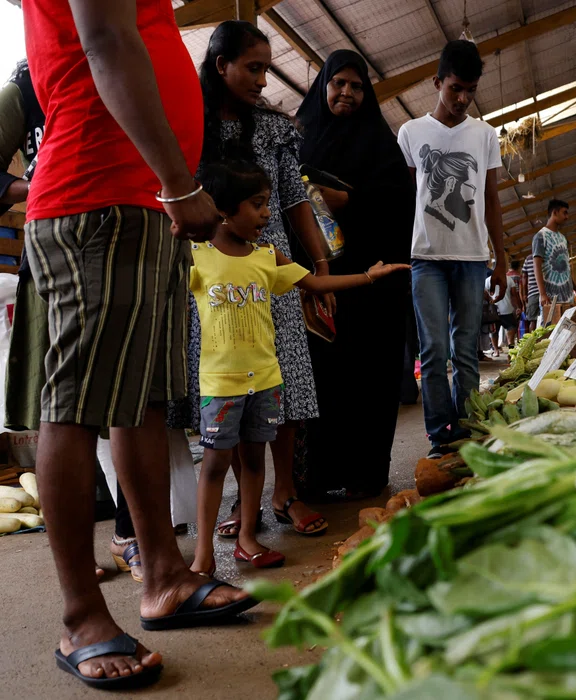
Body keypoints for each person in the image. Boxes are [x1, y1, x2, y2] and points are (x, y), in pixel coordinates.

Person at [22, 0, 254, 689]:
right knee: (76, 406)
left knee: (142, 401)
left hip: (140, 203)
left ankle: (163, 577)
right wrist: (179, 182)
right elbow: (104, 41)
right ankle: (81, 617)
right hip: (97, 195)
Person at [1, 60, 197, 586]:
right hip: (75, 242)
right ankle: (84, 576)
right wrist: (27, 184)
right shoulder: (24, 89)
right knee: (74, 407)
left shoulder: (130, 65)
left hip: (137, 231)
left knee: (136, 399)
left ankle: (136, 543)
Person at [188, 160, 408, 576]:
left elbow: (314, 284)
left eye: (268, 203)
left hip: (267, 381)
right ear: (222, 209)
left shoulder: (267, 256)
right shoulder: (197, 258)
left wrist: (368, 276)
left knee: (256, 462)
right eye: (257, 205)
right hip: (219, 385)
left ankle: (248, 539)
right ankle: (202, 555)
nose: (267, 214)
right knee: (216, 465)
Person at [171, 20, 331, 537]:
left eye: (266, 68)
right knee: (231, 388)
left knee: (282, 380)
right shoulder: (186, 122)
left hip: (271, 268)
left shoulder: (275, 128)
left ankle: (285, 494)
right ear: (221, 66)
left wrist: (320, 262)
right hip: (212, 277)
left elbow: (293, 199)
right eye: (254, 68)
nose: (264, 80)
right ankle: (246, 507)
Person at [296, 49, 416, 498]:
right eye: (338, 83)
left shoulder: (380, 144)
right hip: (318, 286)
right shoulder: (301, 138)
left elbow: (401, 205)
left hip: (372, 289)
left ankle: (365, 475)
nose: (346, 92)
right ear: (323, 85)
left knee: (369, 379)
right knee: (321, 380)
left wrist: (349, 202)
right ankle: (317, 480)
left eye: (356, 85)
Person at [398, 40, 507, 459]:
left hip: (472, 258)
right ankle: (439, 438)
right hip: (425, 257)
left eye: (470, 91)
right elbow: (404, 197)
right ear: (437, 82)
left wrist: (501, 260)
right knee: (434, 350)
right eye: (455, 88)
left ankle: (467, 428)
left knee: (466, 350)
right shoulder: (410, 132)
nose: (463, 99)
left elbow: (493, 199)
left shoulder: (485, 134)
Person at [533, 199, 576, 324]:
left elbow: (565, 267)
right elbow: (537, 266)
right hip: (551, 299)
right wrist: (543, 294)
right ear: (555, 212)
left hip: (568, 298)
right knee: (550, 335)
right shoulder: (541, 236)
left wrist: (575, 288)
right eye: (564, 213)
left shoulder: (563, 238)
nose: (567, 217)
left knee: (569, 334)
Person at [485, 271, 520, 351]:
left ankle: (496, 350)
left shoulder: (488, 280)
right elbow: (514, 295)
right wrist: (517, 307)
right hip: (507, 309)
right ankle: (511, 351)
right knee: (510, 331)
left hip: (493, 312)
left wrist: (491, 300)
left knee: (494, 332)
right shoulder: (509, 279)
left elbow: (484, 293)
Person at [521, 252, 540, 331]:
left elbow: (524, 277)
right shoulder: (547, 255)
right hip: (547, 292)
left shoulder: (528, 259)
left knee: (533, 320)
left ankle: (532, 342)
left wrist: (525, 294)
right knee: (547, 319)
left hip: (532, 293)